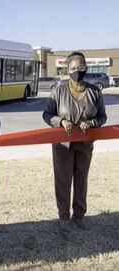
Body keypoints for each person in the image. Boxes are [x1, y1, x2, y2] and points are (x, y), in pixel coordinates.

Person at [43, 51, 107, 231]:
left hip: (85, 144)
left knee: (81, 179)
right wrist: (61, 121)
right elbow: (47, 114)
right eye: (73, 68)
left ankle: (79, 215)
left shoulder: (95, 92)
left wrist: (92, 122)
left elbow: (103, 117)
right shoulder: (58, 91)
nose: (77, 71)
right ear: (67, 70)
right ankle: (64, 217)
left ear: (86, 68)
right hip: (63, 145)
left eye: (80, 68)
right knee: (63, 180)